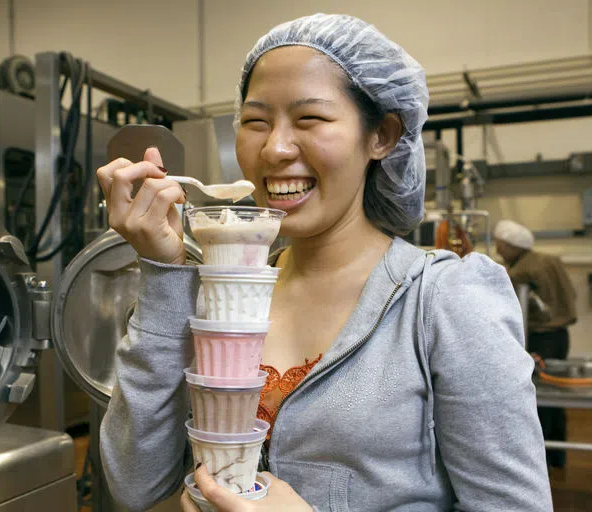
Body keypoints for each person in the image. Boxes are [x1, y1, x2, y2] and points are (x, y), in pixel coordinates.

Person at [97, 13, 552, 511]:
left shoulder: (444, 301)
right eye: (255, 122)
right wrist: (165, 271)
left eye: (309, 119)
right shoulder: (220, 292)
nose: (275, 148)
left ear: (382, 136)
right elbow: (134, 486)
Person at [494, 220, 577, 469]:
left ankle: (537, 459)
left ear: (512, 246)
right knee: (556, 395)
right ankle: (557, 456)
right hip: (561, 335)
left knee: (536, 399)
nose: (498, 252)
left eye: (501, 246)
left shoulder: (520, 271)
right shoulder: (551, 260)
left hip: (538, 339)